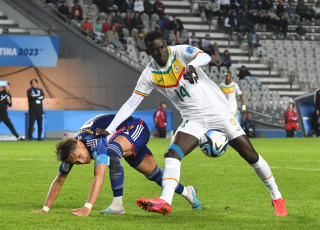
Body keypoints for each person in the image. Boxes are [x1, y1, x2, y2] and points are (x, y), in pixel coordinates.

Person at [96, 31, 287, 216]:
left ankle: (277, 197)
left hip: (218, 112)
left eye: (162, 47)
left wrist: (192, 65)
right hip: (193, 118)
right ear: (149, 52)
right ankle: (165, 201)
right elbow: (131, 103)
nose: (161, 51)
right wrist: (110, 129)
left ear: (166, 44)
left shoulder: (179, 52)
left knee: (251, 155)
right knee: (172, 154)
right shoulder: (149, 74)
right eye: (155, 50)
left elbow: (204, 56)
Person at [32, 114, 202, 216]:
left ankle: (117, 205)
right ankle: (189, 193)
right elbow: (59, 179)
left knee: (112, 150)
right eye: (75, 162)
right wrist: (45, 209)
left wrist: (87, 207)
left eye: (78, 156)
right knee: (156, 175)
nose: (80, 161)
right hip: (123, 139)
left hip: (135, 127)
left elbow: (99, 176)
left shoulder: (93, 142)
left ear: (79, 143)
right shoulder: (73, 151)